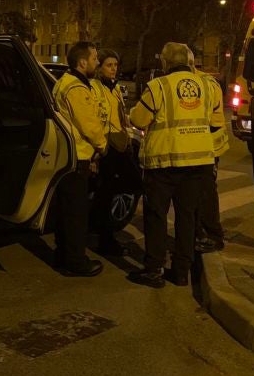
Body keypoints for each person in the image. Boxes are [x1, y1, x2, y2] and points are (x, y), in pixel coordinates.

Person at [127, 42, 219, 289]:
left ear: (165, 63)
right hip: (198, 162)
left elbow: (138, 119)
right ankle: (181, 272)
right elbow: (213, 120)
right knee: (187, 217)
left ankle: (154, 269)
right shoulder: (209, 86)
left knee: (156, 217)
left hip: (163, 163)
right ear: (189, 62)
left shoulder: (158, 86)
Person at [51, 41, 107, 277]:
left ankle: (64, 254)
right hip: (77, 157)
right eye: (94, 59)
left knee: (67, 212)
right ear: (82, 62)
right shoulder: (75, 88)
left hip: (68, 156)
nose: (97, 63)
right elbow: (89, 124)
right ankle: (75, 261)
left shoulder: (67, 83)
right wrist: (102, 145)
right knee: (76, 214)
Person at [90, 48, 140, 255]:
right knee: (105, 194)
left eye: (115, 65)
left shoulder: (115, 88)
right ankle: (106, 240)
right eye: (108, 65)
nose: (113, 69)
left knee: (129, 185)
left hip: (120, 146)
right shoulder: (94, 87)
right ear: (99, 67)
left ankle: (106, 236)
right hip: (105, 149)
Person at [187, 50, 229, 254]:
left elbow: (213, 121)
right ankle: (198, 234)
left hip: (208, 148)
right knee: (196, 193)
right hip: (199, 147)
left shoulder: (205, 83)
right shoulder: (195, 81)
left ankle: (213, 235)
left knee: (205, 194)